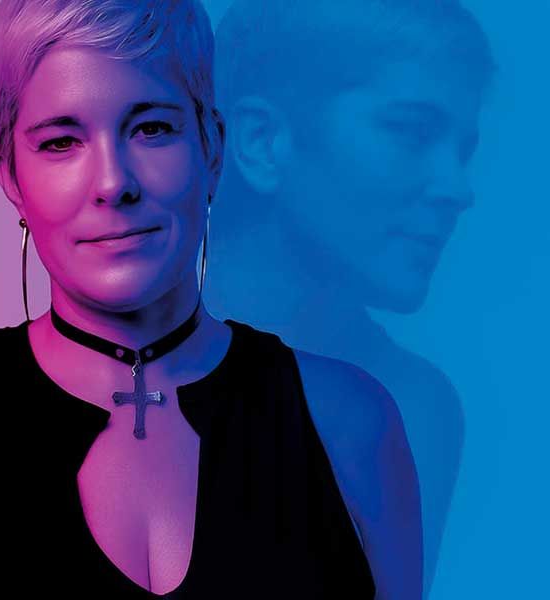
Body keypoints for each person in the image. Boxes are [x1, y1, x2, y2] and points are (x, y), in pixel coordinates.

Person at [0, 1, 420, 597]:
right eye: (61, 142)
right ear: (10, 177)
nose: (113, 183)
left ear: (212, 149)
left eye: (152, 129)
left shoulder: (351, 423)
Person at [206, 1, 496, 595]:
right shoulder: (89, 361)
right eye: (411, 132)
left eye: (463, 151)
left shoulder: (415, 405)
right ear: (262, 141)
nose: (459, 187)